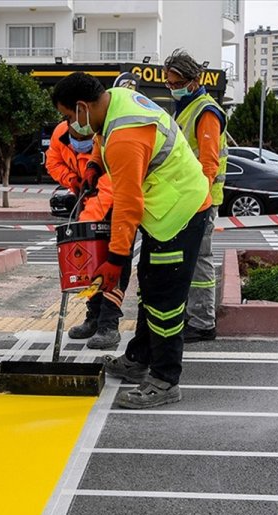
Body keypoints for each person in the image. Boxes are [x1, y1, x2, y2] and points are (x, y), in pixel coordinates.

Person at [50, 72, 211, 409]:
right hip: (166, 207)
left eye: (68, 116)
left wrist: (116, 260)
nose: (69, 125)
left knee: (164, 298)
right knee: (149, 287)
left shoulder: (125, 137)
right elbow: (101, 137)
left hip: (178, 212)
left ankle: (165, 379)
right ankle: (138, 359)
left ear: (82, 107)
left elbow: (127, 204)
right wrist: (95, 165)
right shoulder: (114, 100)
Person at [46, 72, 140, 349]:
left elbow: (111, 189)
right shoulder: (62, 133)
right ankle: (93, 316)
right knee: (88, 264)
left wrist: (85, 225)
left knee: (115, 264)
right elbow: (52, 163)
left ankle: (109, 323)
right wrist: (73, 180)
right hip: (86, 200)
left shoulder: (110, 135)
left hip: (114, 207)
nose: (71, 125)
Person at [164, 49, 227, 343]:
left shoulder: (206, 111)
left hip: (200, 200)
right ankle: (194, 315)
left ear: (194, 81)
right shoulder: (186, 108)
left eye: (176, 83)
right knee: (190, 259)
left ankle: (203, 322)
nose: (172, 88)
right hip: (188, 198)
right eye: (168, 83)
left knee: (200, 260)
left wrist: (197, 201)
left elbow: (209, 163)